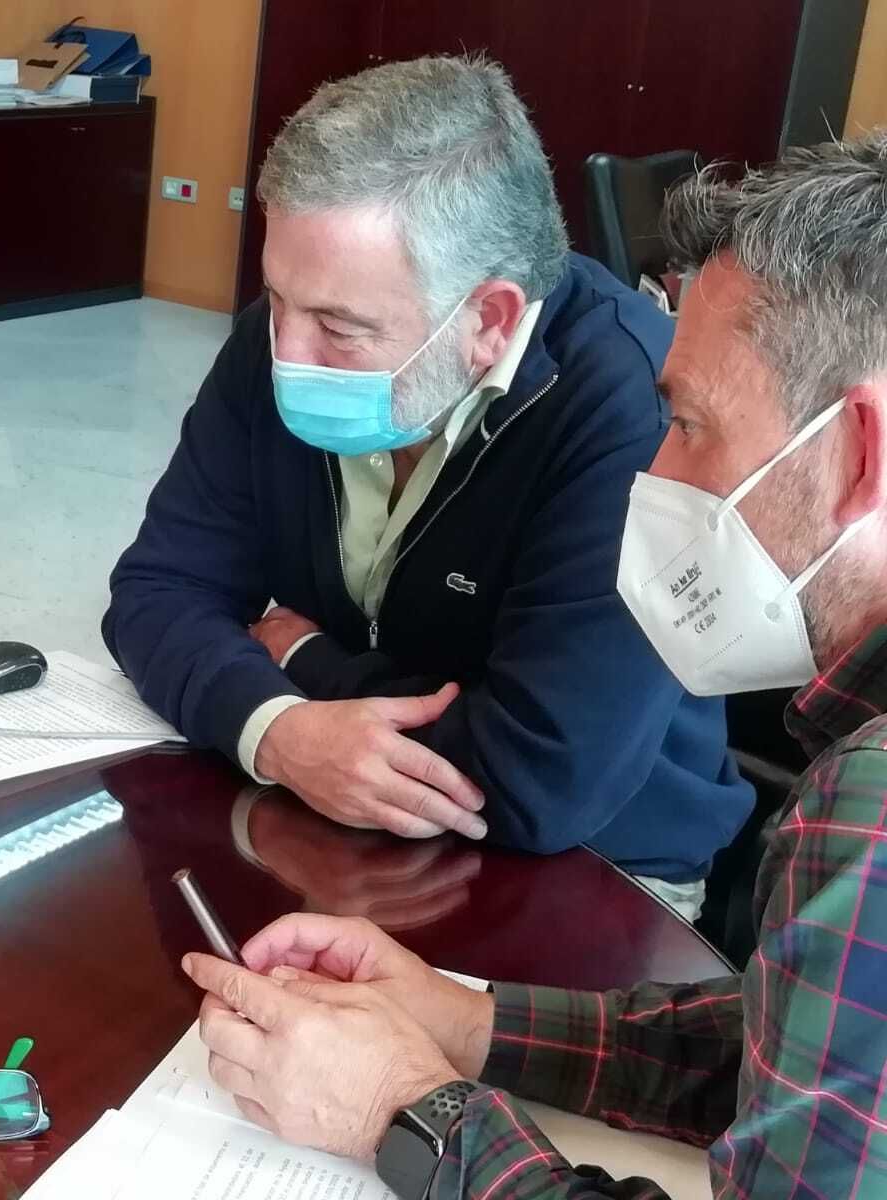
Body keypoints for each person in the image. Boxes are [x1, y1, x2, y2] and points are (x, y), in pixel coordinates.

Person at [183, 134, 887, 1197]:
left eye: (689, 425)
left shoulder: (869, 813)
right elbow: (792, 1052)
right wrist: (468, 1023)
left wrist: (406, 1111)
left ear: (860, 451)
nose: (655, 472)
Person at [102, 56, 749, 909]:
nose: (284, 354)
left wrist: (300, 660)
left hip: (598, 869)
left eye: (339, 327)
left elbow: (540, 777)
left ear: (490, 321)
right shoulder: (279, 338)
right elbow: (155, 592)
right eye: (277, 298)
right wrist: (280, 730)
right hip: (328, 808)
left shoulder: (632, 408)